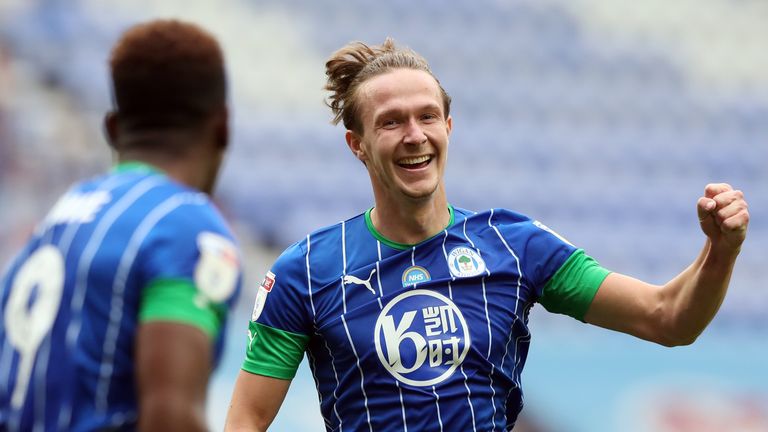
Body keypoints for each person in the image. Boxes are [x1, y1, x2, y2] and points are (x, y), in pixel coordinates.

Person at [225, 38, 749, 431]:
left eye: (428, 116)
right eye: (391, 122)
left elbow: (668, 319)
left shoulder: (514, 245)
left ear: (448, 128)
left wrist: (719, 252)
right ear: (356, 144)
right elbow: (245, 421)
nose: (415, 135)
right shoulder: (306, 270)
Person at [0, 19, 241, 431]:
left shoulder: (58, 221)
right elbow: (172, 417)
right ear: (222, 127)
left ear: (112, 128)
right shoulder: (185, 229)